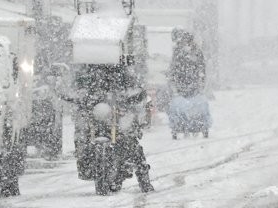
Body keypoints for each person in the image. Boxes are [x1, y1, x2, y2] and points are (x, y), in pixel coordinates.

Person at [72, 63, 155, 193]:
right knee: (81, 137)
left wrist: (133, 98)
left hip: (117, 117)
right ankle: (85, 166)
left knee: (132, 144)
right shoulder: (86, 72)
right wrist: (78, 99)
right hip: (97, 117)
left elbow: (133, 88)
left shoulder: (122, 72)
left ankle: (144, 181)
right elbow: (77, 90)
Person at [168, 29, 206, 97]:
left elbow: (202, 68)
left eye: (189, 41)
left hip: (193, 83)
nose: (187, 44)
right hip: (181, 83)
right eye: (185, 41)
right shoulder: (178, 52)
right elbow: (173, 67)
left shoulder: (197, 52)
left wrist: (201, 82)